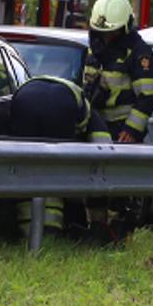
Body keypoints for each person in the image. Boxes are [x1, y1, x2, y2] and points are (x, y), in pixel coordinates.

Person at [80, 0, 153, 242]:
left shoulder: (139, 52)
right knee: (93, 183)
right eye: (101, 32)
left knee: (118, 188)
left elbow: (148, 95)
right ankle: (96, 229)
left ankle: (116, 234)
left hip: (122, 129)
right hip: (96, 124)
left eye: (111, 32)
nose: (106, 37)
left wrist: (132, 130)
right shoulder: (95, 48)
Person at [9, 74, 96, 238]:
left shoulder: (30, 86)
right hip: (60, 106)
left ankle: (27, 231)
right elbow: (102, 144)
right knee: (55, 172)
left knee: (26, 170)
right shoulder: (86, 109)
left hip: (24, 100)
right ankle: (50, 233)